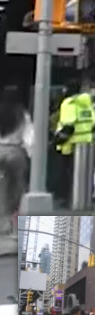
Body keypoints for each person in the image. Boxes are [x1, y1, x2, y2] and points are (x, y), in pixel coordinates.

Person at [0, 85, 29, 226]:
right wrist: (31, 154)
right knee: (16, 186)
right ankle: (12, 218)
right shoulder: (22, 114)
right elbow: (30, 137)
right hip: (14, 152)